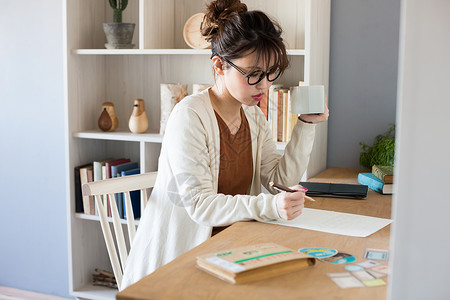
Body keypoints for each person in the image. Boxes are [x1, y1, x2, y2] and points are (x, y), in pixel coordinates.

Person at [121, 0, 329, 289]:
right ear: (219, 64)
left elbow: (277, 181)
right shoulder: (190, 115)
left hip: (233, 251)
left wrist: (305, 125)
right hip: (180, 264)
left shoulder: (253, 115)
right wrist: (270, 205)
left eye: (271, 73)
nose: (265, 85)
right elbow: (200, 206)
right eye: (254, 74)